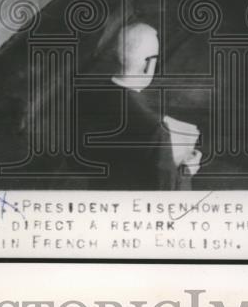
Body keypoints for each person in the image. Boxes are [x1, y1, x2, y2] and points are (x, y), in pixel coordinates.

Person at [79, 22, 202, 190]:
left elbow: (76, 162)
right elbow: (168, 198)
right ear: (147, 65)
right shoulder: (156, 131)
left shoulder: (84, 96)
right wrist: (187, 170)